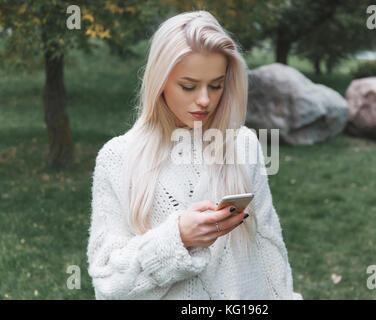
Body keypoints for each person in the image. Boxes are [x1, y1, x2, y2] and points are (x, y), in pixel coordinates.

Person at [87, 10, 303, 300]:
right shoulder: (117, 158)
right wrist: (177, 239)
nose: (205, 99)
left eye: (216, 85)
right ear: (160, 81)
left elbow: (268, 250)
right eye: (188, 86)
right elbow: (108, 281)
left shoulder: (244, 144)